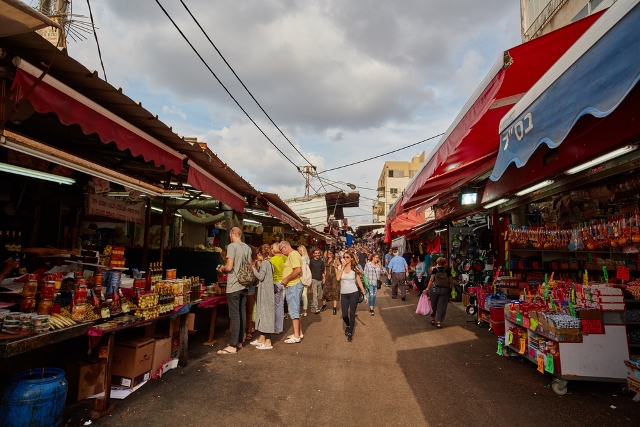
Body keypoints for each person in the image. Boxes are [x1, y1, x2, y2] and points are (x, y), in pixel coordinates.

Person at [216, 227, 251, 355]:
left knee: (235, 315)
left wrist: (222, 268)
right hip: (244, 285)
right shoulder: (247, 247)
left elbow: (229, 267)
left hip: (234, 285)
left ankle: (232, 345)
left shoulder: (232, 246)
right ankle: (239, 342)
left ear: (232, 234)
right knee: (242, 313)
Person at [336, 252, 367, 342]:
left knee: (352, 313)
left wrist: (364, 294)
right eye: (344, 257)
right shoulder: (339, 267)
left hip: (354, 293)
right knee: (345, 314)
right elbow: (338, 278)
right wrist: (342, 267)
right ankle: (349, 325)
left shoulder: (354, 268)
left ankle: (350, 332)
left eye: (347, 257)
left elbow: (359, 282)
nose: (345, 259)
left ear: (351, 259)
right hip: (344, 294)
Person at [250, 244, 275, 350]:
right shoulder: (269, 263)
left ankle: (268, 341)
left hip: (265, 293)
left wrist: (253, 269)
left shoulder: (265, 263)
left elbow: (261, 277)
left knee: (266, 315)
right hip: (267, 291)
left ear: (260, 254)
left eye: (257, 254)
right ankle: (262, 338)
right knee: (264, 314)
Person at [280, 241, 304, 343]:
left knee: (293, 310)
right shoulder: (293, 254)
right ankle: (299, 332)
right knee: (296, 310)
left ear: (285, 247)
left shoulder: (293, 254)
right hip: (293, 285)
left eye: (281, 250)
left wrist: (286, 279)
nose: (281, 252)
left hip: (293, 285)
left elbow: (297, 270)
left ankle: (296, 336)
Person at [423, 257, 454, 328]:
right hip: (445, 290)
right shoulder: (447, 271)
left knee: (433, 304)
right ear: (444, 263)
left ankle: (433, 319)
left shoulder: (434, 270)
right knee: (442, 306)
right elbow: (451, 281)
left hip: (434, 289)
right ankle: (439, 322)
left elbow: (431, 280)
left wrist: (427, 289)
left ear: (437, 263)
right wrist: (452, 286)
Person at [270, 243, 286, 334]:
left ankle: (275, 327)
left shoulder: (272, 259)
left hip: (275, 282)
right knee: (281, 305)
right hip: (283, 282)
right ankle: (279, 327)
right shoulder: (284, 258)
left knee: (276, 306)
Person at [245, 245, 258, 341]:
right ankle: (247, 330)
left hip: (251, 286)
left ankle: (248, 330)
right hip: (248, 287)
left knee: (249, 309)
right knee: (248, 309)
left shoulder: (255, 262)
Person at [308, 247, 325, 314]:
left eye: (318, 253)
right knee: (315, 294)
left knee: (318, 295)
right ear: (314, 254)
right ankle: (316, 308)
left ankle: (313, 305)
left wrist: (324, 278)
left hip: (320, 280)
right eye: (316, 253)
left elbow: (322, 271)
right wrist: (310, 280)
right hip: (314, 279)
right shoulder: (311, 261)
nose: (317, 254)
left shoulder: (321, 261)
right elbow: (309, 271)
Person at [297, 245, 310, 317]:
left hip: (301, 278)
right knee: (304, 294)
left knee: (301, 294)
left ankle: (301, 310)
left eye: (299, 250)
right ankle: (305, 310)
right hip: (306, 278)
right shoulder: (307, 258)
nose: (298, 252)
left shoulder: (302, 258)